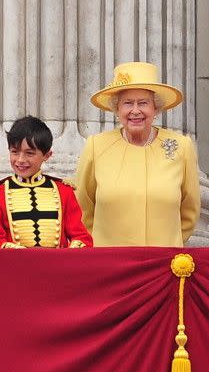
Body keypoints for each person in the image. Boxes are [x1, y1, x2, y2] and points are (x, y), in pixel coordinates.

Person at [75, 62, 200, 247]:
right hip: (111, 262)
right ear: (117, 109)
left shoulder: (181, 147)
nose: (135, 110)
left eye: (143, 103)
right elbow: (82, 207)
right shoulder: (96, 146)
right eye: (127, 103)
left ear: (155, 109)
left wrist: (170, 243)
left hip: (162, 262)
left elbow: (190, 210)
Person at [0, 115, 92, 249]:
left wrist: (75, 247)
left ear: (47, 155)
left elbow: (81, 237)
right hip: (14, 267)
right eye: (15, 152)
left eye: (29, 153)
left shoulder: (64, 191)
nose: (20, 160)